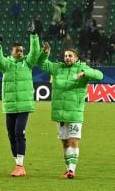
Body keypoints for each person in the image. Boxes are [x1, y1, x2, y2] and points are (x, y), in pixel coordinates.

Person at [37, 44, 103, 179]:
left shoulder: (82, 68)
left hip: (75, 112)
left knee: (73, 141)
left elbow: (99, 75)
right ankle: (68, 170)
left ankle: (72, 170)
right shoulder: (57, 68)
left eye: (70, 56)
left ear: (76, 58)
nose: (67, 58)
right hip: (59, 113)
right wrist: (45, 53)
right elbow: (42, 63)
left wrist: (85, 73)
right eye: (66, 56)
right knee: (65, 142)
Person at [0, 31, 41, 176]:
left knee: (19, 133)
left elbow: (35, 51)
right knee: (11, 135)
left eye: (21, 50)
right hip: (10, 106)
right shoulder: (6, 64)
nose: (20, 52)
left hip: (24, 105)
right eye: (17, 50)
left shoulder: (28, 63)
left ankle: (20, 165)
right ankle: (18, 165)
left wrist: (33, 36)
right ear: (11, 52)